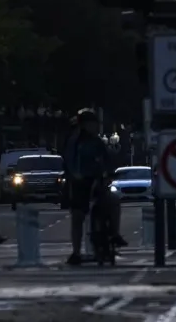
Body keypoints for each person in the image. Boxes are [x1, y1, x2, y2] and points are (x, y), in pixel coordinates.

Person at [63, 109, 114, 265]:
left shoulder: (98, 142)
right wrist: (75, 175)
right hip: (80, 182)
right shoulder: (75, 142)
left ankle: (113, 235)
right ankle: (76, 252)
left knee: (112, 203)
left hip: (97, 180)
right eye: (92, 124)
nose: (95, 127)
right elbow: (69, 162)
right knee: (77, 216)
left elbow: (107, 160)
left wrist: (108, 175)